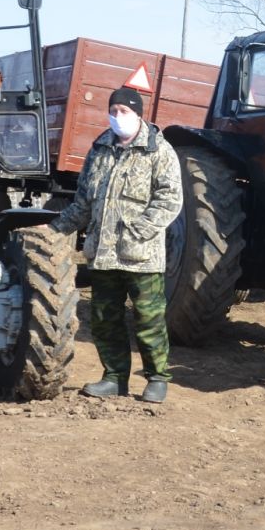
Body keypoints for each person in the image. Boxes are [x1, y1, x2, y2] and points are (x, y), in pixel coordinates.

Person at [50, 87, 183, 403]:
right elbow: (83, 202)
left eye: (124, 111)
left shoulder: (158, 152)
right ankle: (114, 377)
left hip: (141, 256)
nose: (117, 116)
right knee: (104, 321)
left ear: (139, 114)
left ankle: (157, 379)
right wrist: (55, 228)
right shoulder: (99, 151)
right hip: (103, 255)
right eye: (113, 110)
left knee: (148, 321)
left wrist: (139, 231)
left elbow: (169, 199)